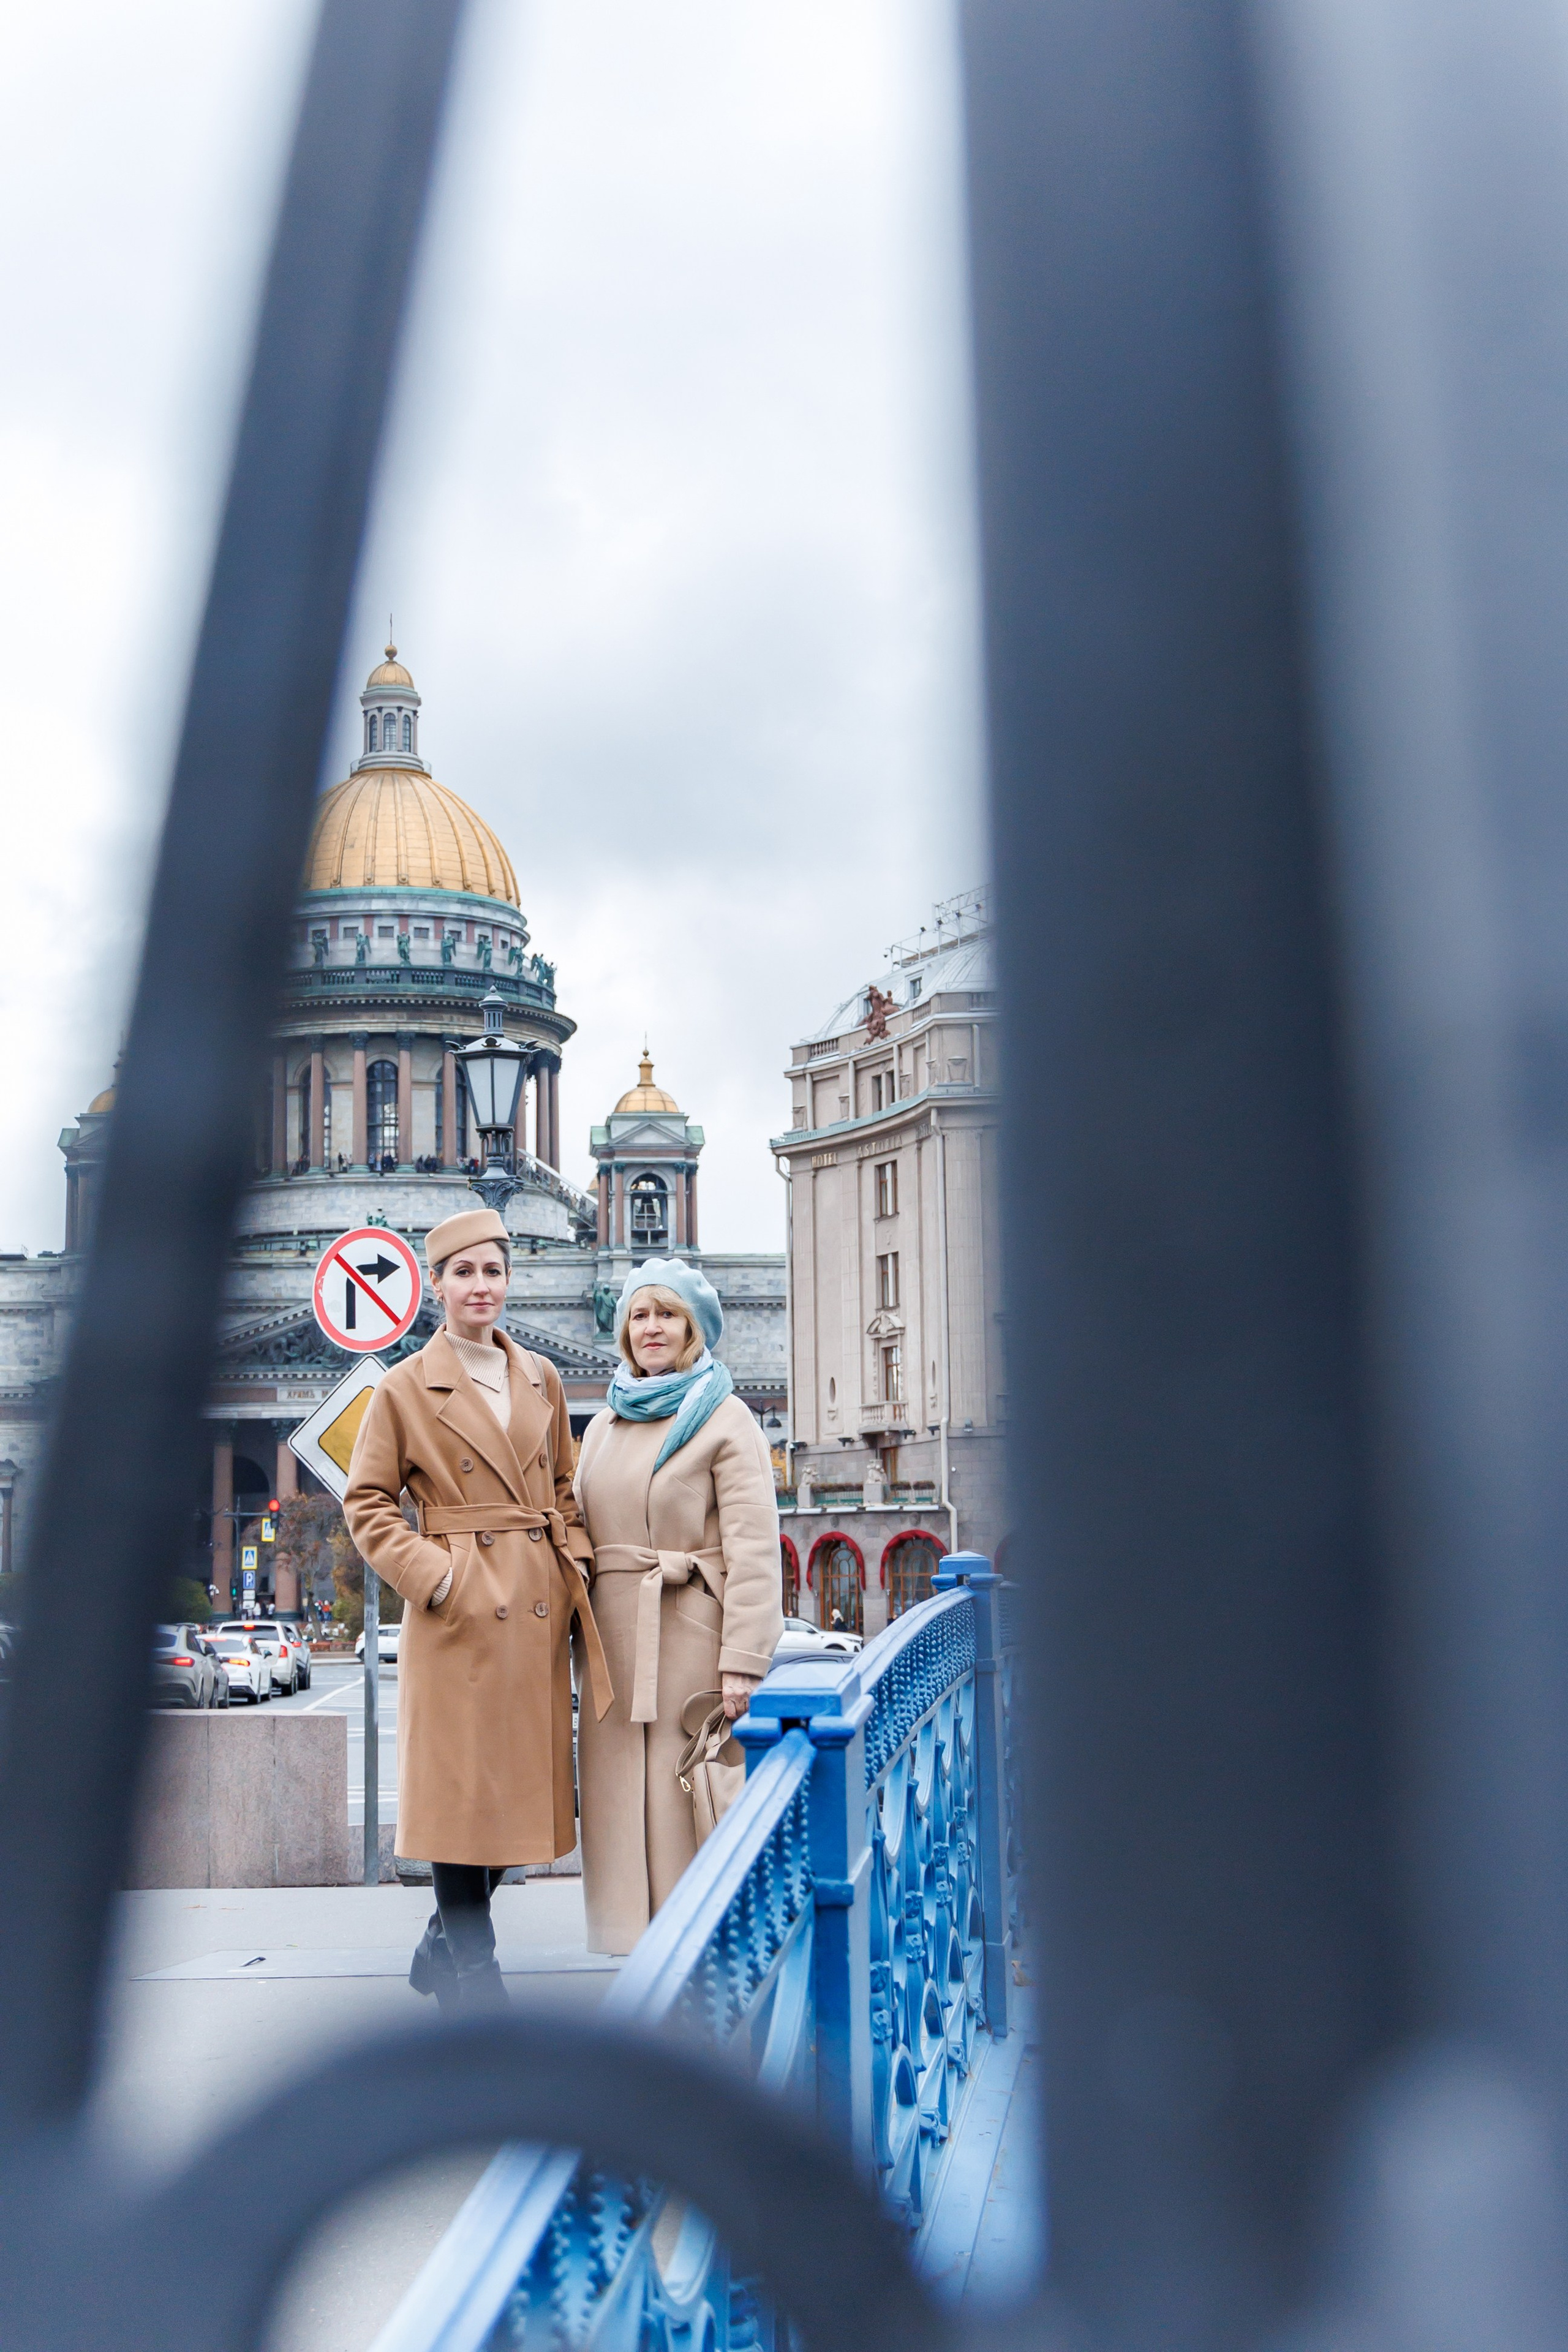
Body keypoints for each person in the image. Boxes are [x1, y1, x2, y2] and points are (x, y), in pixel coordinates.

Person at [344, 1206, 610, 2011]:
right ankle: (476, 1975)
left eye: (492, 1271)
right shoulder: (403, 1387)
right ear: (437, 1286)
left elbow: (563, 1487)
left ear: (508, 1281)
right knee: (462, 1801)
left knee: (513, 1802)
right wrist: (436, 1576)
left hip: (532, 1606)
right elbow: (367, 1503)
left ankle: (440, 1942)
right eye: (464, 1273)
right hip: (458, 1616)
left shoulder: (541, 1375)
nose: (480, 1287)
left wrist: (575, 1566)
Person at [574, 1257, 782, 1954]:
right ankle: (630, 1951)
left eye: (667, 1315)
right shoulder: (602, 1423)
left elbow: (755, 1549)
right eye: (639, 1315)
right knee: (613, 1807)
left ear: (693, 1327)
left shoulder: (726, 1418)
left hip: (689, 1637)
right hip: (610, 1648)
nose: (652, 1328)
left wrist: (744, 1663)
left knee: (683, 1800)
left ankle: (697, 1955)